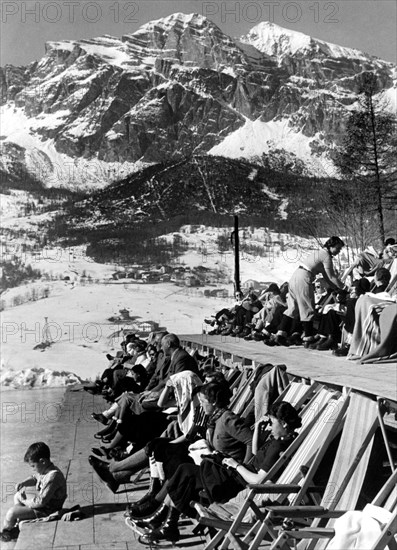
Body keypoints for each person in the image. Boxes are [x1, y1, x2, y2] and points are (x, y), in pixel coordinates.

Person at [125, 381, 253, 543]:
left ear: (213, 402)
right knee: (181, 471)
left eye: (204, 402)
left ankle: (162, 517)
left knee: (184, 473)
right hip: (214, 468)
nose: (202, 405)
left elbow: (249, 440)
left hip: (227, 477)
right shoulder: (215, 417)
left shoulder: (228, 419)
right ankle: (165, 521)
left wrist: (242, 467)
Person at [269, 237, 346, 346]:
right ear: (331, 246)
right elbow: (332, 276)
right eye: (338, 248)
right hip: (304, 277)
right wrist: (344, 288)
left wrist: (335, 287)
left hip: (296, 275)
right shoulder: (326, 256)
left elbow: (327, 277)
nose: (339, 251)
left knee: (293, 307)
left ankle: (280, 334)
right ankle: (308, 337)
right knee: (307, 306)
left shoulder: (319, 253)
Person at [0, 442, 67, 542]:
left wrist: (26, 501)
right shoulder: (45, 470)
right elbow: (35, 477)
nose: (33, 469)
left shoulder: (53, 476)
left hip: (48, 509)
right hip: (45, 503)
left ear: (42, 461)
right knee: (18, 495)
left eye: (33, 466)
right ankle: (18, 521)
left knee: (11, 513)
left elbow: (41, 502)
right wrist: (24, 482)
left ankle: (7, 532)